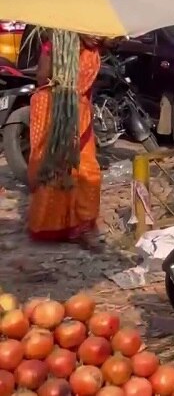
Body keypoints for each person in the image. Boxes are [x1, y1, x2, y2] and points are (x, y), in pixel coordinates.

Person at [27, 33, 103, 245]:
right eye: (92, 31)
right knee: (53, 168)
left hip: (80, 115)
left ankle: (82, 225)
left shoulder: (93, 51)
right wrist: (59, 57)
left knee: (87, 171)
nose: (97, 36)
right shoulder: (56, 46)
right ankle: (51, 225)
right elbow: (42, 78)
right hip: (52, 111)